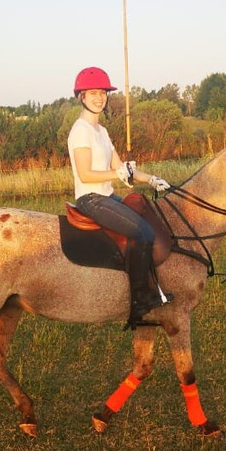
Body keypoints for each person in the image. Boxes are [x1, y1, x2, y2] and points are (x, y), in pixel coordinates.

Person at [68, 66, 173, 328]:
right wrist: (117, 173)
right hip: (91, 199)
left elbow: (123, 168)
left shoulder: (101, 132)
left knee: (143, 216)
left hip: (107, 194)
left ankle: (148, 286)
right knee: (143, 232)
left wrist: (150, 179)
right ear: (81, 96)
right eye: (93, 93)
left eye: (103, 92)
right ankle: (139, 301)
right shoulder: (81, 130)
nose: (99, 97)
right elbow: (86, 174)